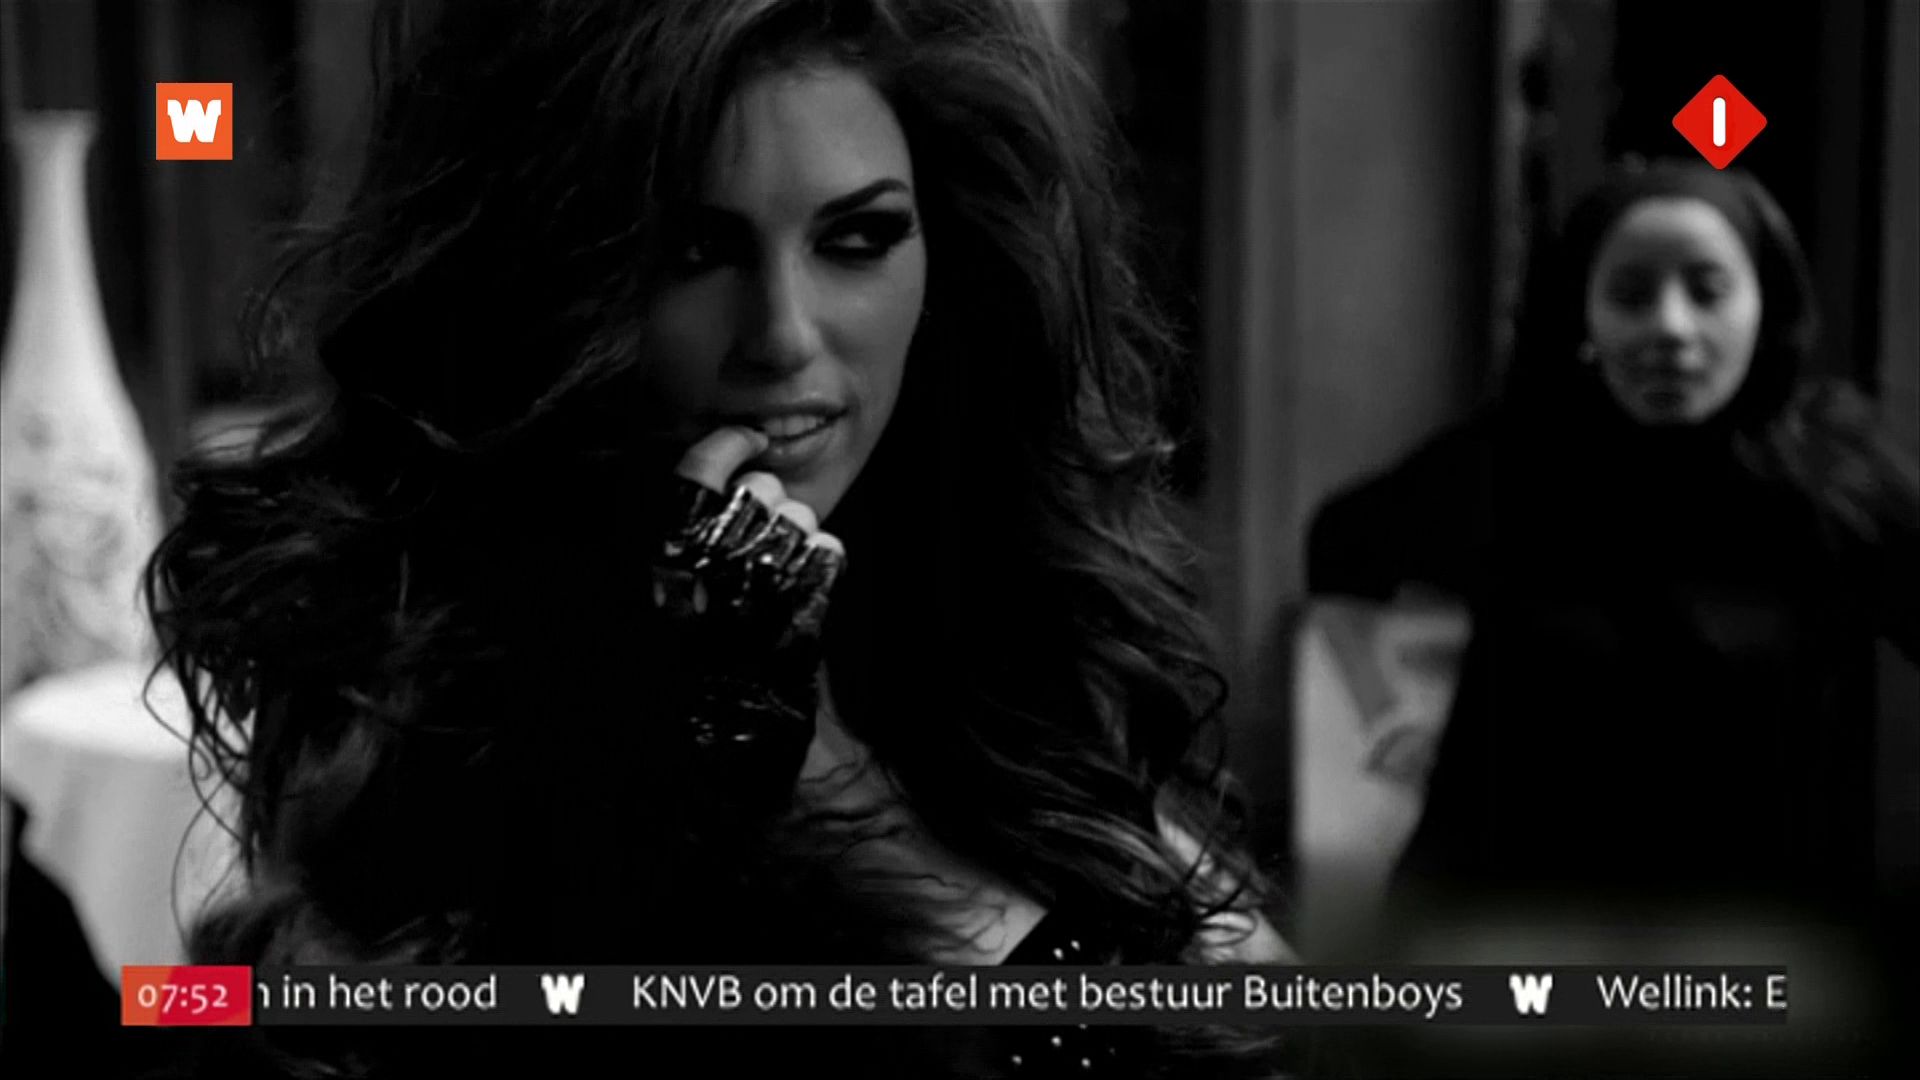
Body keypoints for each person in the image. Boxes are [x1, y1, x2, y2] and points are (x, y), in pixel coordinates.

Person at [144, 1, 1288, 1076]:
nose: (782, 335)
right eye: (695, 251)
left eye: (858, 239)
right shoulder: (459, 726)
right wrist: (735, 780)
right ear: (557, 284)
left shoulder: (974, 620)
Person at [1309, 159, 1920, 928]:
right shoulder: (1514, 462)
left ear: (1766, 305)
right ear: (1583, 315)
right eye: (1631, 296)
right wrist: (1401, 707)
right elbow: (1339, 551)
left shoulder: (1833, 474)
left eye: (1707, 292)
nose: (1670, 327)